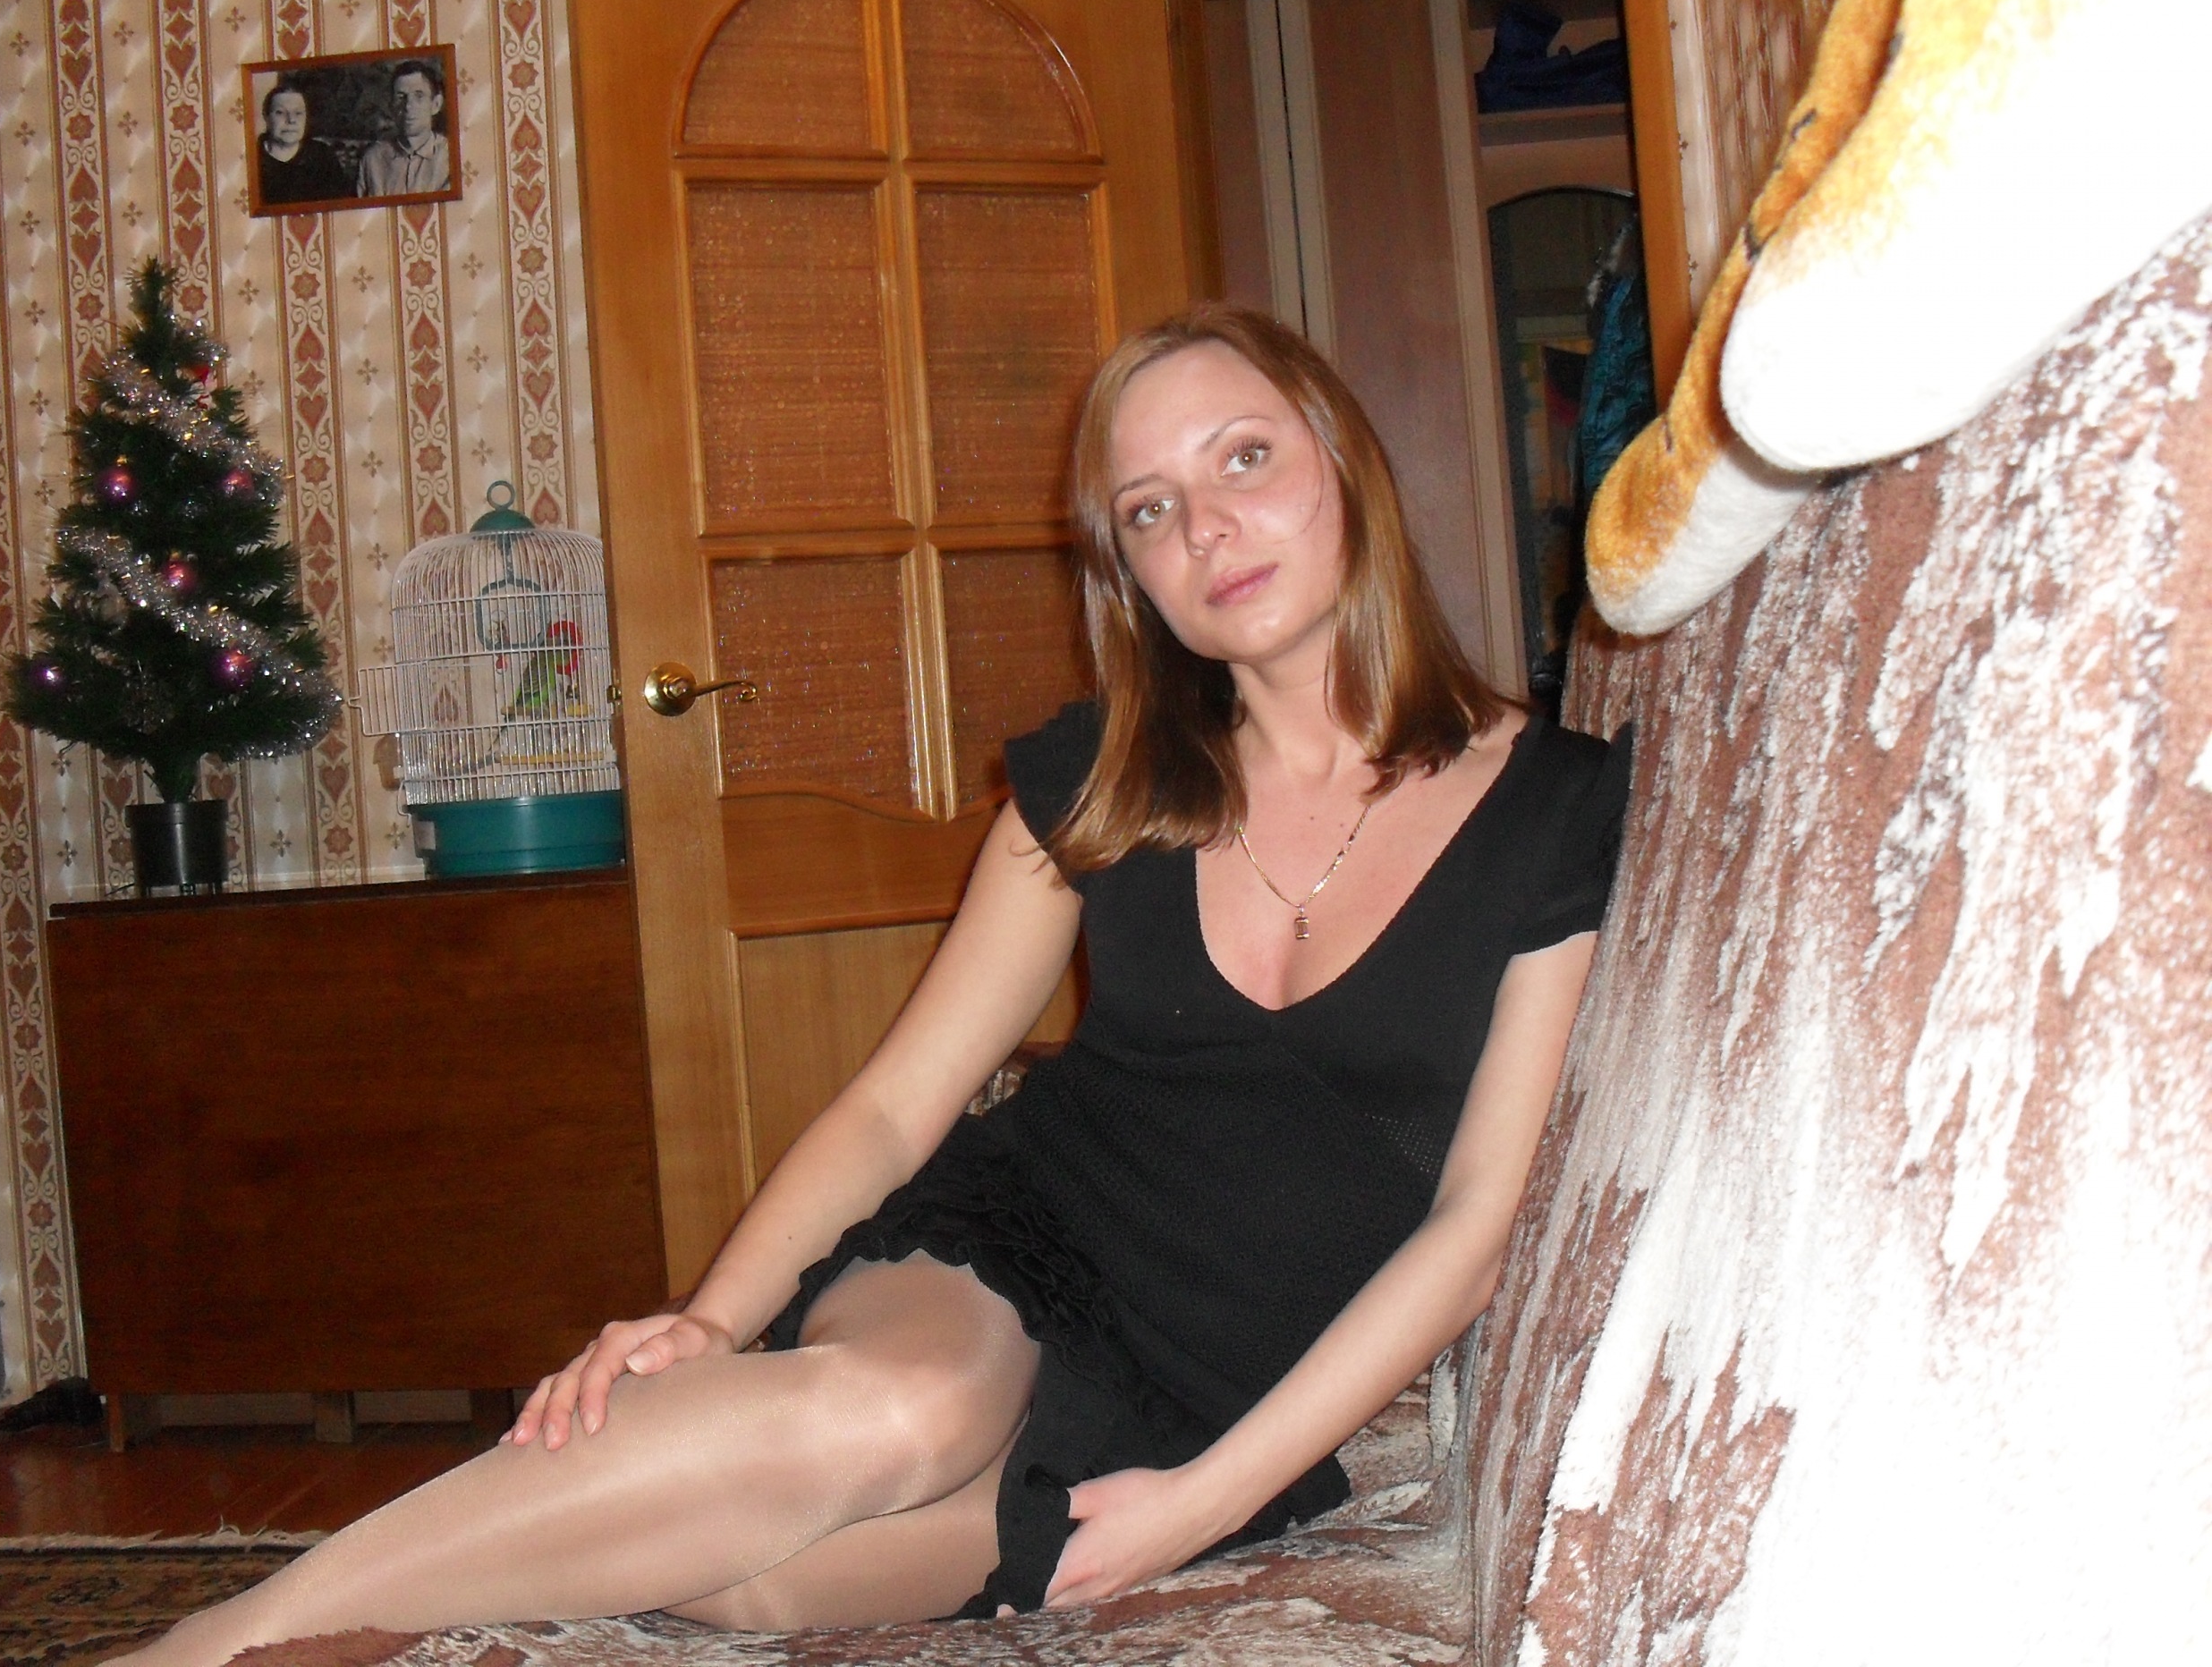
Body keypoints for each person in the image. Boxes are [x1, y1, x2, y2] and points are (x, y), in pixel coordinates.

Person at [114, 304, 1628, 1664]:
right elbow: (904, 1103)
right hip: (1012, 1259)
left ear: (1344, 462)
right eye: (1150, 509)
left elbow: (1476, 1224)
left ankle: (373, 1613)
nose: (1208, 529)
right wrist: (714, 1321)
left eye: (1245, 459)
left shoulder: (1557, 810)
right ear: (1132, 574)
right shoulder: (1106, 779)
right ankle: (209, 1647)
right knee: (903, 1412)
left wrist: (1207, 1499)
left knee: (766, 1578)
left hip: (1212, 1393)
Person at [356, 59, 450, 198]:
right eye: (401, 97)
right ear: (391, 106)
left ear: (436, 104)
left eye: (419, 96)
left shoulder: (451, 157)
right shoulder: (372, 160)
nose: (408, 106)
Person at [254, 80, 350, 207]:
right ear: (266, 117)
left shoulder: (323, 156)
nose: (291, 120)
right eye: (280, 112)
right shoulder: (250, 159)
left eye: (298, 113)